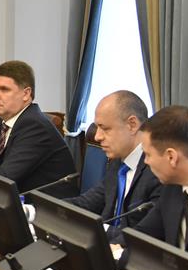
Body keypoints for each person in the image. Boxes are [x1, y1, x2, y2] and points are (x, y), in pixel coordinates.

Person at [62, 91, 162, 243]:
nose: (97, 136)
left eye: (105, 128)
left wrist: (96, 230)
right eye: (97, 127)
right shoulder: (118, 161)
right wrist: (44, 210)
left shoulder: (158, 169)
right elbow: (88, 202)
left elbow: (148, 235)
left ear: (132, 125)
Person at [0, 60, 76, 193]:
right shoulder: (4, 122)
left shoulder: (35, 127)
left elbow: (5, 177)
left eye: (4, 90)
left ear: (26, 94)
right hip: (18, 198)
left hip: (47, 204)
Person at [133, 106, 188, 253]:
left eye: (148, 154)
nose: (145, 162)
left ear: (171, 157)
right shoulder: (172, 187)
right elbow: (142, 236)